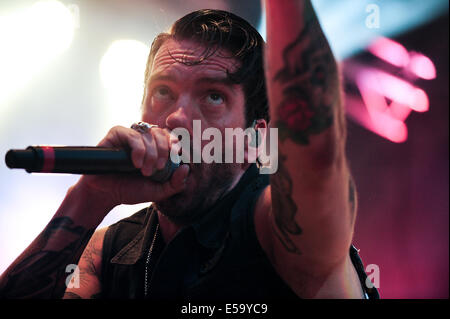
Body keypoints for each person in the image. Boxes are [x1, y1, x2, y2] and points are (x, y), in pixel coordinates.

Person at [0, 1, 379, 300]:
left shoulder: (281, 227)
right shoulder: (111, 248)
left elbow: (316, 152)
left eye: (213, 96)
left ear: (255, 141)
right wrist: (88, 197)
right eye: (162, 91)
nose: (178, 118)